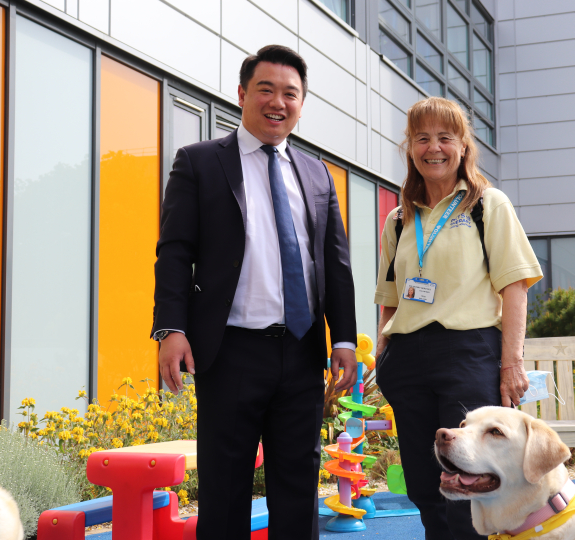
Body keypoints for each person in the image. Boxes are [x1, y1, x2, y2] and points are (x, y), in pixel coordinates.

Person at [151, 44, 358, 540]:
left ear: (301, 105)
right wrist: (171, 328)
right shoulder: (199, 162)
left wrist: (345, 340)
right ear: (242, 93)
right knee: (224, 488)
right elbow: (175, 251)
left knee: (298, 483)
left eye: (291, 93)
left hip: (303, 352)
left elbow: (335, 262)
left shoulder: (316, 173)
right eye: (266, 89)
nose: (278, 102)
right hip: (231, 351)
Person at [373, 97, 543, 540]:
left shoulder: (488, 205)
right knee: (425, 486)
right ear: (409, 148)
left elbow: (515, 287)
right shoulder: (397, 219)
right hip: (408, 360)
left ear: (464, 146)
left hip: (468, 355)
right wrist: (382, 355)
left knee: (467, 483)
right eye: (422, 138)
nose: (434, 148)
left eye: (445, 138)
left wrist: (512, 363)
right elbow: (389, 297)